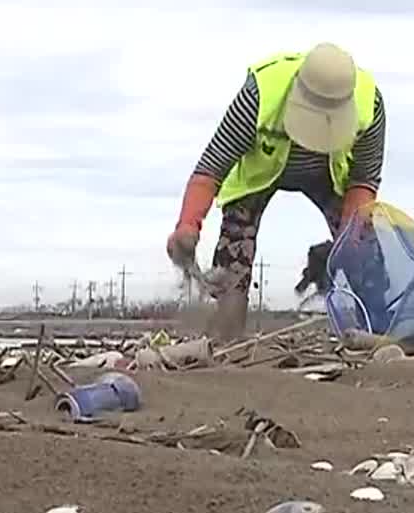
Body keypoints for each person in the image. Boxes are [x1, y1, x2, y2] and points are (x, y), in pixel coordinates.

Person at [165, 42, 388, 341]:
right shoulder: (260, 95)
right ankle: (225, 341)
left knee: (365, 255)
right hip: (260, 174)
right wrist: (187, 225)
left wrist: (349, 246)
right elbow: (211, 168)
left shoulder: (369, 104)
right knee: (233, 259)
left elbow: (364, 181)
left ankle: (377, 334)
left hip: (330, 176)